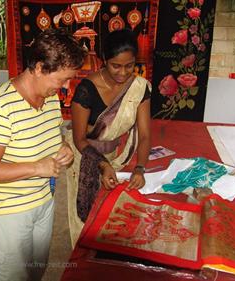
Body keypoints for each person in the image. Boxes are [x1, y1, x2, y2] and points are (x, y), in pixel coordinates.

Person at [0, 28, 85, 281]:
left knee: (36, 271)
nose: (66, 86)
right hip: (3, 214)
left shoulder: (49, 98)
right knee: (14, 276)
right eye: (63, 79)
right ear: (40, 68)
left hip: (41, 201)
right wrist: (36, 168)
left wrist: (63, 149)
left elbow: (54, 137)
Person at [65, 29, 152, 247]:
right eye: (116, 65)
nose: (123, 73)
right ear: (104, 61)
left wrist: (140, 168)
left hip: (112, 156)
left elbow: (145, 135)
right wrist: (102, 165)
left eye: (130, 65)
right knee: (84, 219)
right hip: (83, 158)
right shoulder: (87, 89)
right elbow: (79, 140)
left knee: (110, 217)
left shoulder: (138, 88)